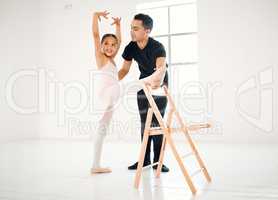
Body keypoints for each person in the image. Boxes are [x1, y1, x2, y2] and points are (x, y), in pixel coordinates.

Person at [118, 13, 170, 172]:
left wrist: (152, 84)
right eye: (131, 28)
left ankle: (158, 161)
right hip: (143, 84)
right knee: (145, 124)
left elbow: (160, 72)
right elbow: (124, 69)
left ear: (147, 31)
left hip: (159, 84)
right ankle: (145, 160)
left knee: (157, 123)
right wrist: (113, 81)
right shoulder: (131, 47)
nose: (131, 31)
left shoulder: (158, 47)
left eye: (135, 28)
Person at [91, 10, 121, 174]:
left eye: (113, 45)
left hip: (110, 101)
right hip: (105, 95)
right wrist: (95, 16)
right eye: (106, 44)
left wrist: (118, 26)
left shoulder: (112, 59)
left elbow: (120, 40)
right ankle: (145, 81)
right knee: (121, 86)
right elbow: (95, 35)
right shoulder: (101, 57)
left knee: (102, 132)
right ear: (102, 46)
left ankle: (96, 165)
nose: (109, 47)